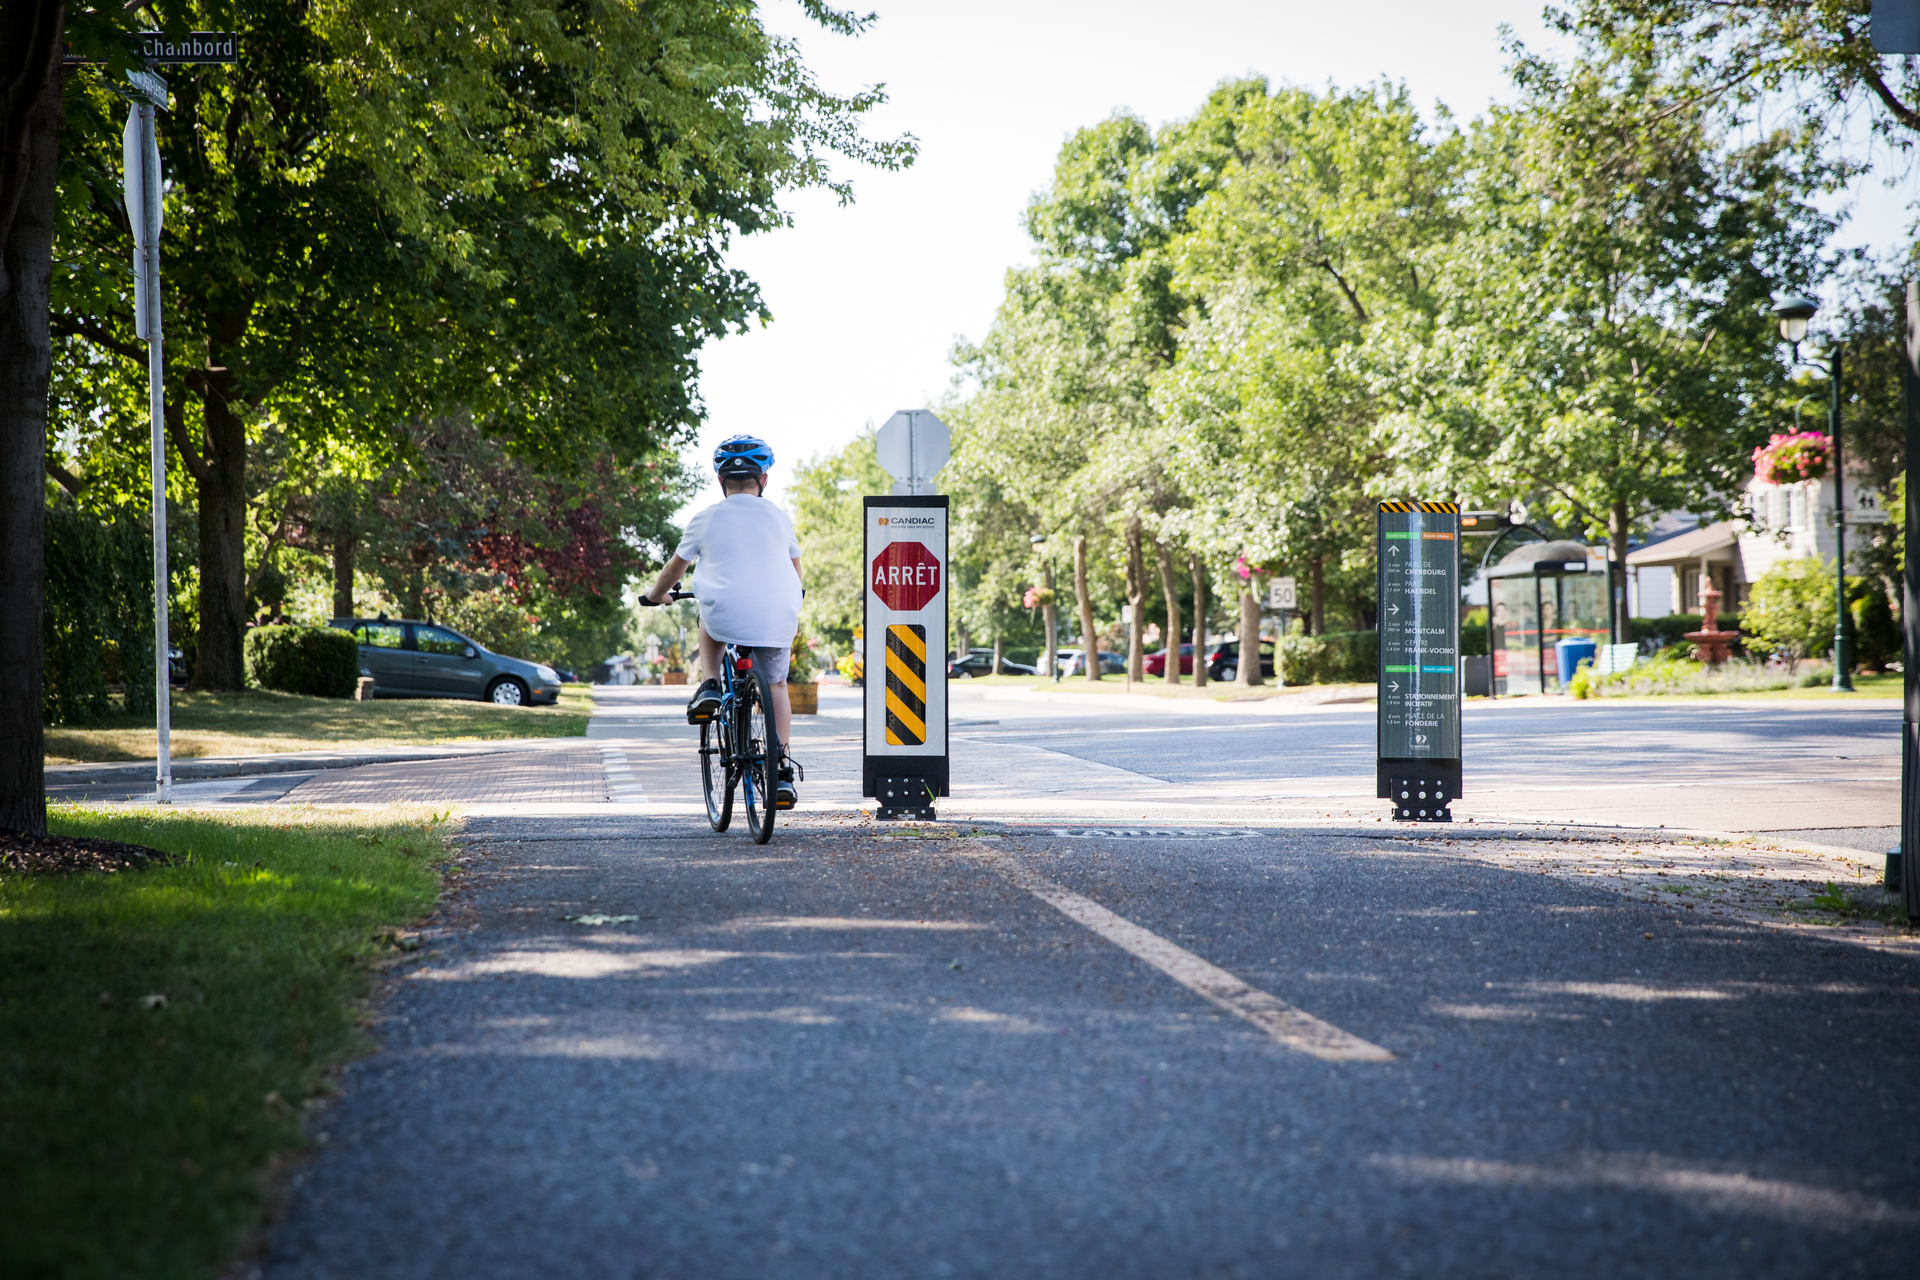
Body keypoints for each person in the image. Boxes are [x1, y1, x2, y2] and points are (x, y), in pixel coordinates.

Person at [642, 434, 803, 807]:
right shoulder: (780, 517)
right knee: (777, 686)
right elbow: (796, 569)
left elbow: (674, 569)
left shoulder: (706, 518)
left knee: (708, 611)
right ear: (763, 479)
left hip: (725, 611)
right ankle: (779, 772)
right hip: (778, 614)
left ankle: (710, 684)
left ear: (720, 480)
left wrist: (655, 595)